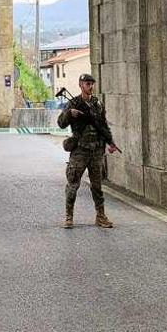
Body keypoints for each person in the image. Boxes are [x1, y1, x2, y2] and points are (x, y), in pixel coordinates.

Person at [57, 73, 120, 229]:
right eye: (87, 83)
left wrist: (110, 142)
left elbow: (103, 126)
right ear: (80, 85)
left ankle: (100, 216)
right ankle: (69, 216)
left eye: (92, 83)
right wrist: (69, 114)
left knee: (97, 186)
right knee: (73, 184)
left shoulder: (98, 104)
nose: (90, 86)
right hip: (80, 150)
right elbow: (61, 123)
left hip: (96, 151)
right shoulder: (73, 103)